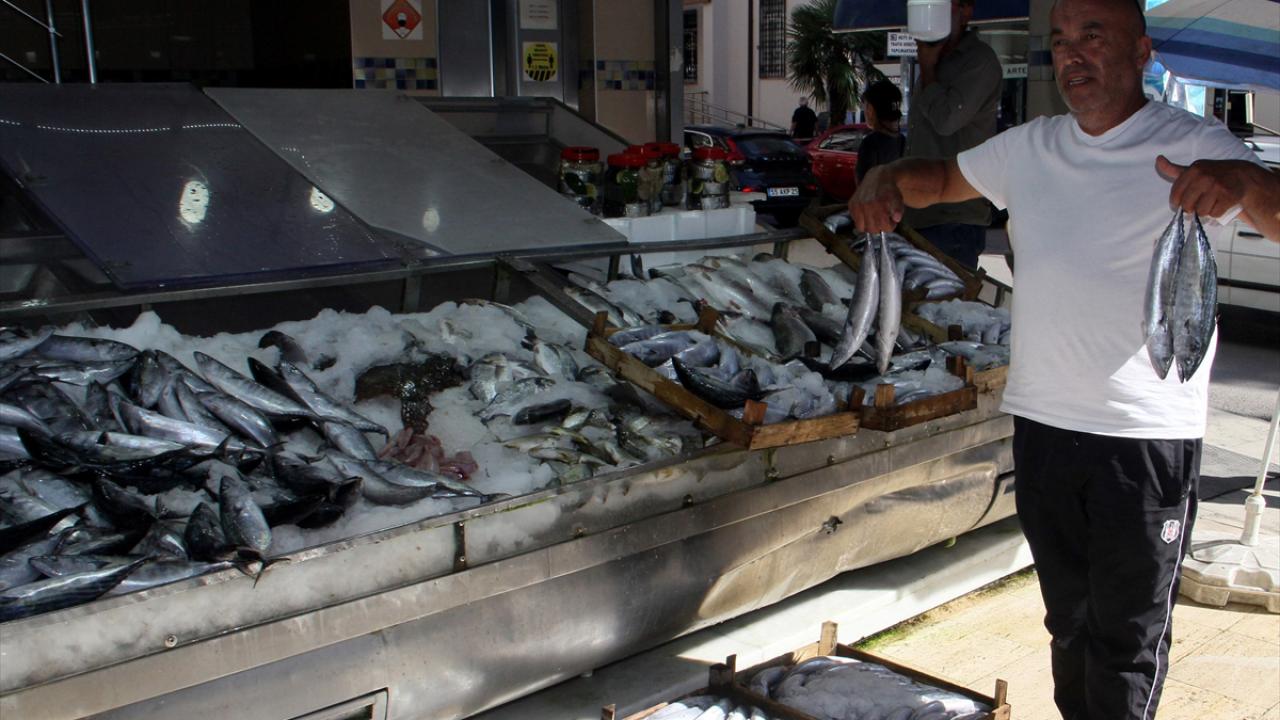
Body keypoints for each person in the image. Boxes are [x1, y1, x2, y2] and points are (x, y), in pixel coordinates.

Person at [849, 0, 1280, 717]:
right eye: (1060, 41)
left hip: (1143, 437)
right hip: (1043, 427)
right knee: (1068, 624)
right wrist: (885, 179)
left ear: (1141, 52)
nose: (1073, 54)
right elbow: (942, 179)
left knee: (1126, 641)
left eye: (1093, 36)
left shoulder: (1196, 141)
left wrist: (1249, 184)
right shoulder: (1032, 145)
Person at [903, 0, 1003, 269]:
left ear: (965, 11)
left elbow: (946, 120)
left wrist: (927, 69)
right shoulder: (937, 60)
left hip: (955, 217)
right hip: (921, 214)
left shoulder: (979, 61)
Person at [856, 80, 905, 184]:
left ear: (870, 109)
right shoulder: (904, 141)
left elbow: (864, 187)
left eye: (865, 106)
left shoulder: (870, 144)